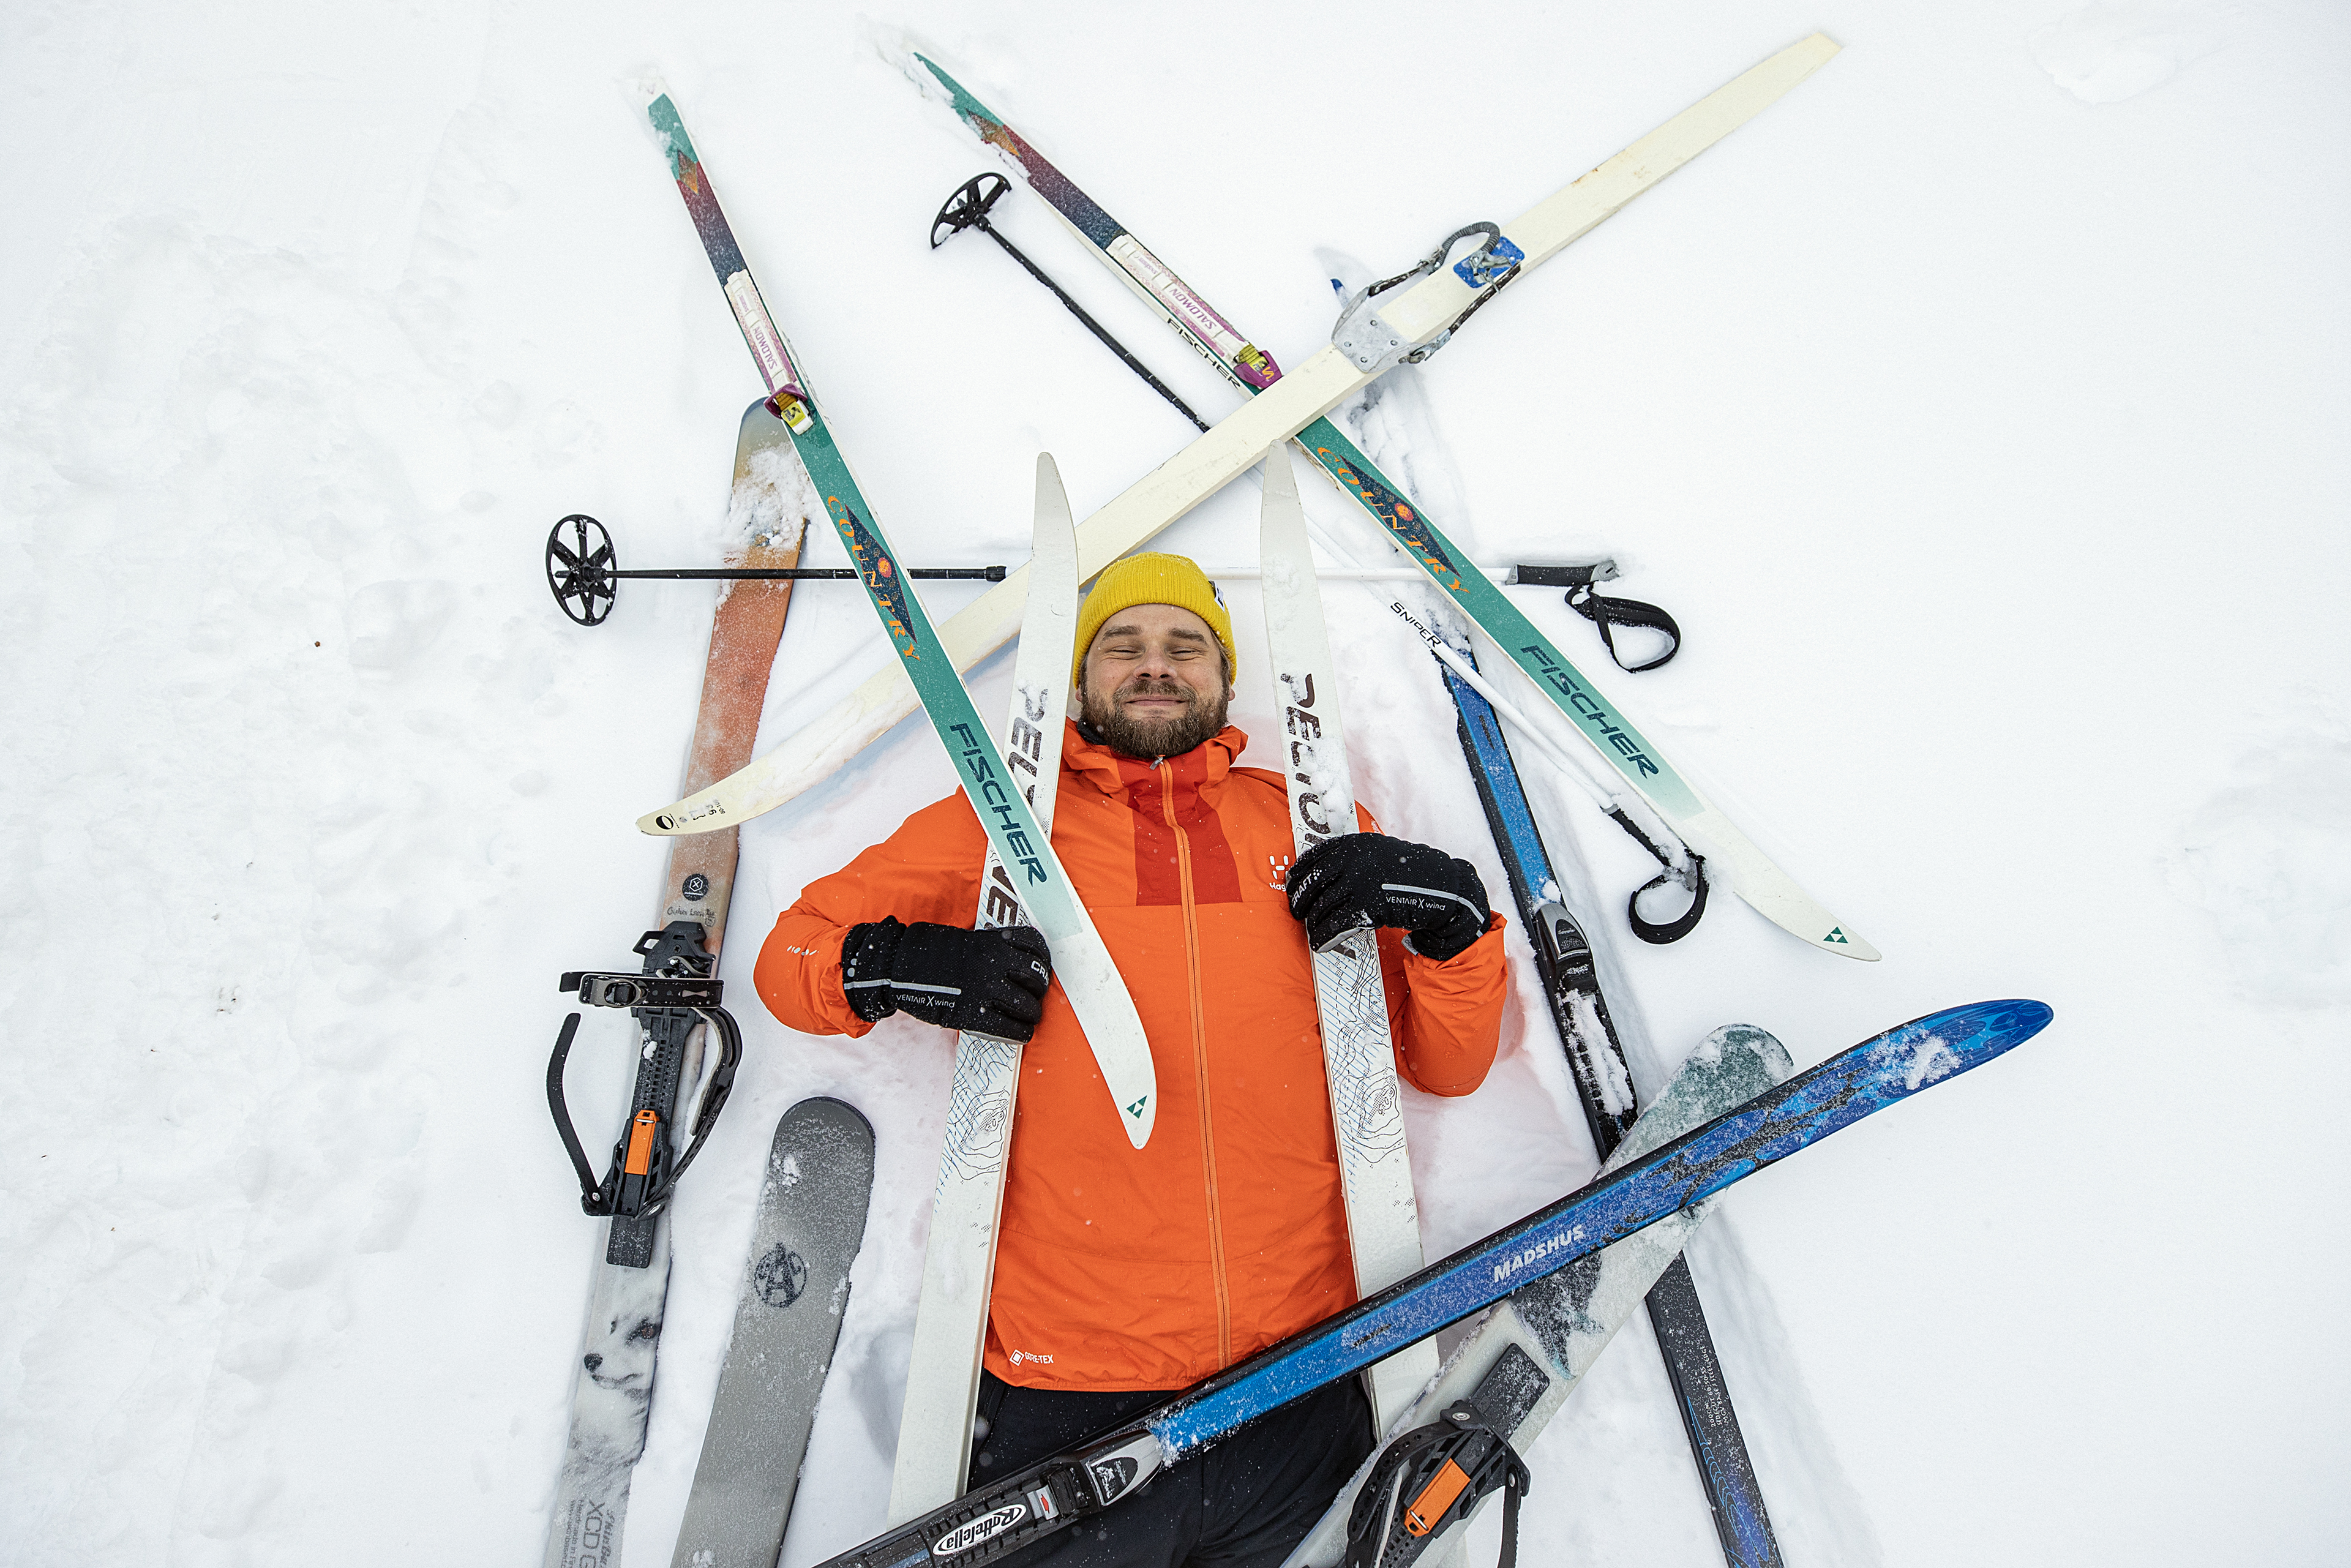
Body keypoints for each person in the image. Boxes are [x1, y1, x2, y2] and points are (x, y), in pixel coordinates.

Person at [756, 553, 1510, 1567]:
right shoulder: (1005, 830)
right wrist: (899, 962)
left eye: (1184, 645)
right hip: (1070, 1402)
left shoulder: (1309, 826)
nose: (1155, 665)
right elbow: (786, 959)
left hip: (1300, 1386)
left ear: (1225, 678)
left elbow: (1444, 1063)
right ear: (1080, 681)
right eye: (1124, 645)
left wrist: (1455, 928)